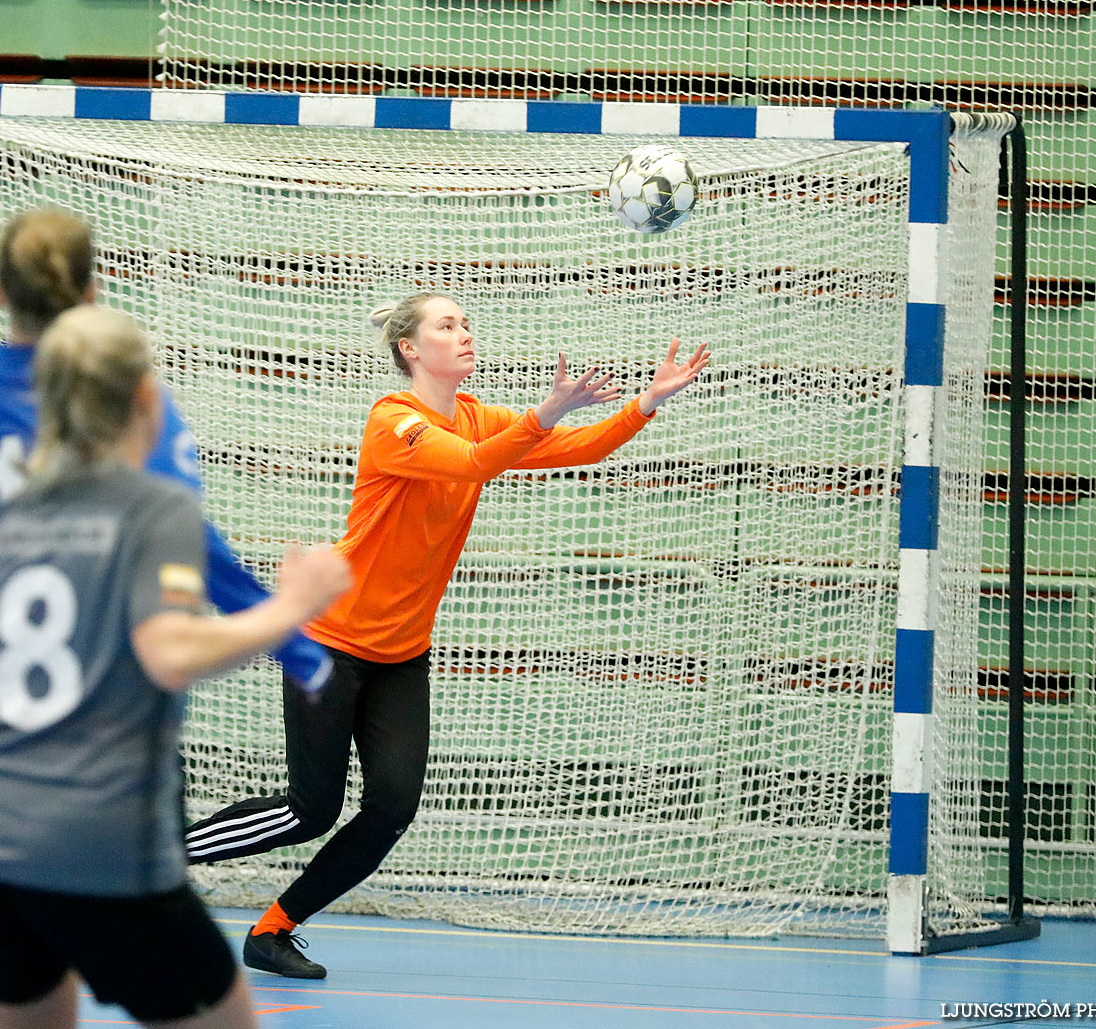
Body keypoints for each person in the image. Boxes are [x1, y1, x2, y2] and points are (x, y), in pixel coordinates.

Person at [184, 293, 712, 979]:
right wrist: (544, 412)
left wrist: (644, 404)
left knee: (390, 809)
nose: (464, 333)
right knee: (310, 811)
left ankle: (274, 930)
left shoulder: (474, 418)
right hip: (330, 646)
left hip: (401, 656)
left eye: (465, 323)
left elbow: (572, 447)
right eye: (447, 324)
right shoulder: (391, 420)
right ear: (412, 348)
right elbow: (467, 464)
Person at [0, 306, 352, 1029]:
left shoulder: (3, 516)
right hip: (104, 850)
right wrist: (292, 608)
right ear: (144, 400)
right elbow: (168, 651)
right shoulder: (155, 507)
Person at [0, 206, 331, 693]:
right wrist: (299, 651)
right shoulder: (127, 393)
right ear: (91, 293)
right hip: (118, 681)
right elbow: (187, 539)